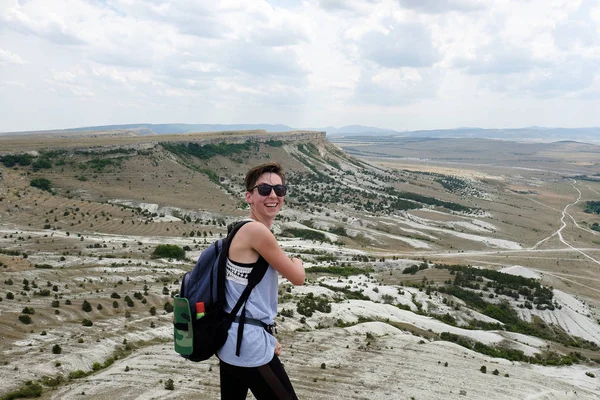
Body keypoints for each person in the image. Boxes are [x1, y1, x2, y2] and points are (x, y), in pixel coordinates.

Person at [217, 162, 305, 400]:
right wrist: (297, 260)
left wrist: (267, 336)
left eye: (280, 189)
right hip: (248, 345)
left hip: (233, 340)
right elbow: (298, 278)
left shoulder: (239, 228)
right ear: (249, 196)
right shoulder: (256, 232)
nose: (274, 195)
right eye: (264, 190)